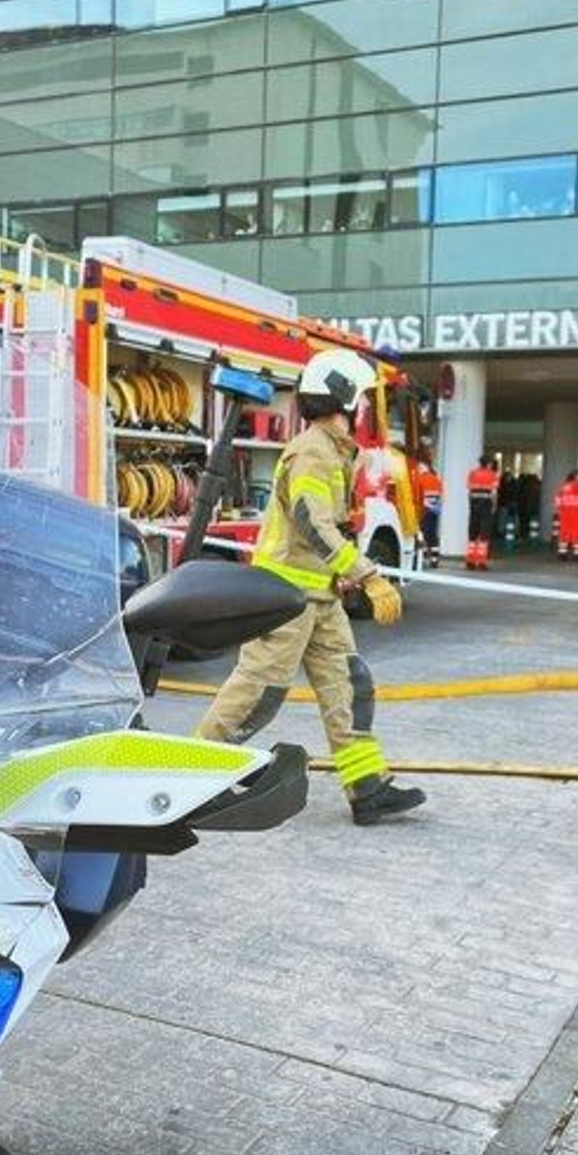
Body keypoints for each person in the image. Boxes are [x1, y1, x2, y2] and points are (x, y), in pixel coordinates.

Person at [197, 348, 426, 826]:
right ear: (345, 399)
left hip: (318, 598)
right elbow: (312, 522)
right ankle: (189, 778)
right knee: (259, 693)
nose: (362, 408)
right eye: (360, 399)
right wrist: (368, 574)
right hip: (284, 597)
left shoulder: (332, 450)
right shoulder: (312, 451)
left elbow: (325, 529)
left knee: (350, 685)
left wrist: (343, 573)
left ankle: (366, 789)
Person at [465, 456, 500, 570]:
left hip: (474, 505)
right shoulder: (493, 475)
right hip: (486, 506)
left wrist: (471, 505)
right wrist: (494, 506)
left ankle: (470, 561)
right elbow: (494, 493)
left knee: (473, 533)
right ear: (489, 463)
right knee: (484, 534)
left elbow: (470, 492)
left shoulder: (472, 473)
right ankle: (481, 562)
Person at [415, 457, 442, 568]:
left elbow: (417, 495)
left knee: (422, 533)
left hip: (423, 509)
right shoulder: (436, 479)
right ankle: (435, 559)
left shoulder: (419, 478)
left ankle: (424, 558)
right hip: (435, 510)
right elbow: (440, 495)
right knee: (433, 534)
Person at [555, 470, 578, 561]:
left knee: (564, 533)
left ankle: (562, 553)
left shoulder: (564, 486)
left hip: (564, 514)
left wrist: (560, 510)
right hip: (576, 514)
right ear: (576, 476)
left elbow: (557, 499)